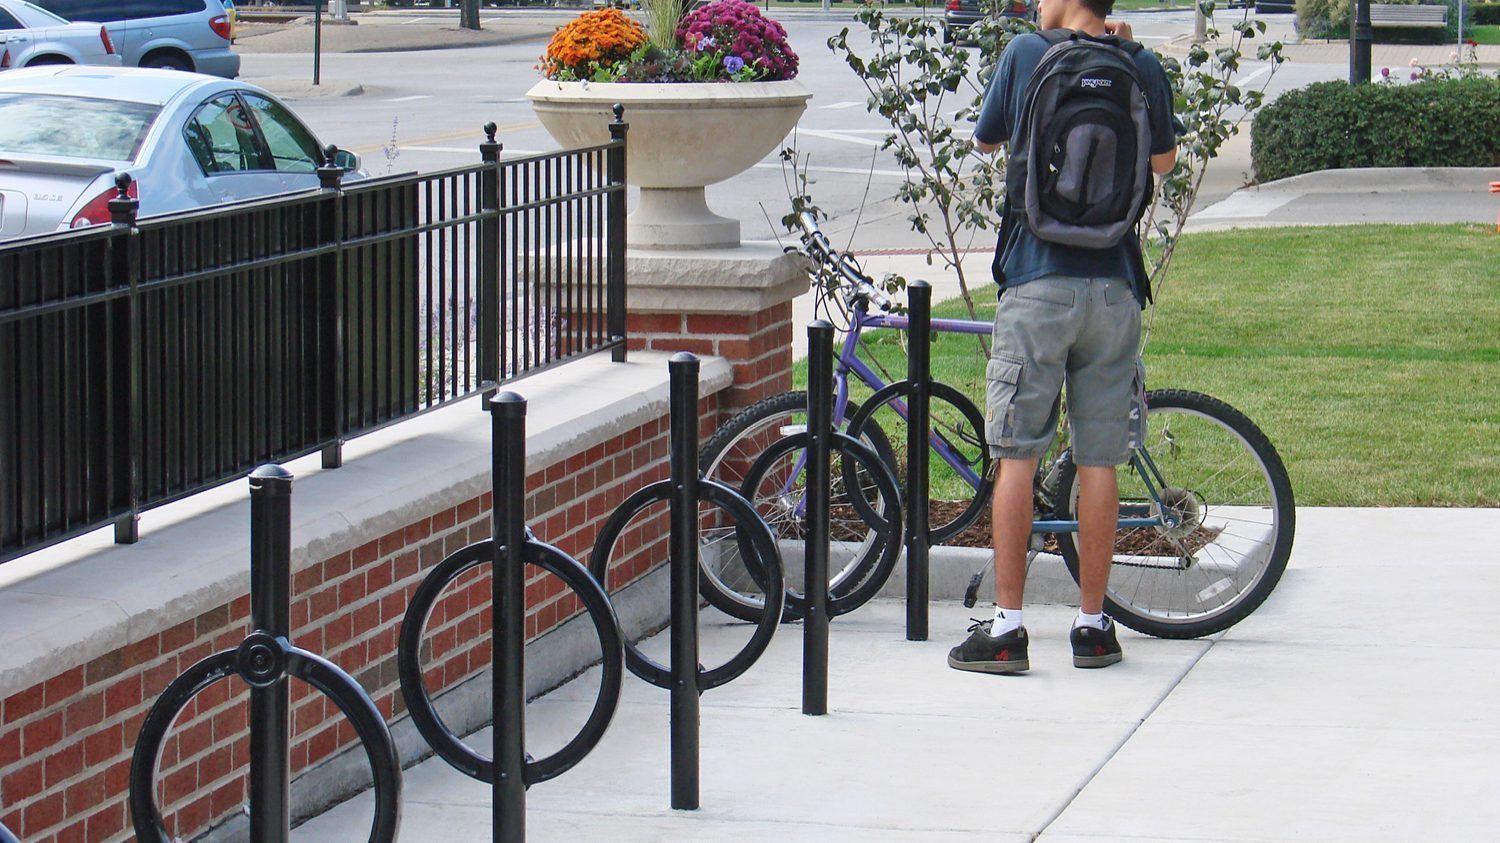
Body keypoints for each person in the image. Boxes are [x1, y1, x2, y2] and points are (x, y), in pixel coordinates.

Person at [946, 1, 1178, 674]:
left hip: (1037, 279)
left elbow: (987, 141)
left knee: (1018, 454)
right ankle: (1092, 627)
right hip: (1114, 284)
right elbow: (1161, 160)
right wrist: (1123, 59)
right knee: (1099, 459)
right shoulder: (1139, 62)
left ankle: (1009, 627)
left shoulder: (1025, 53)